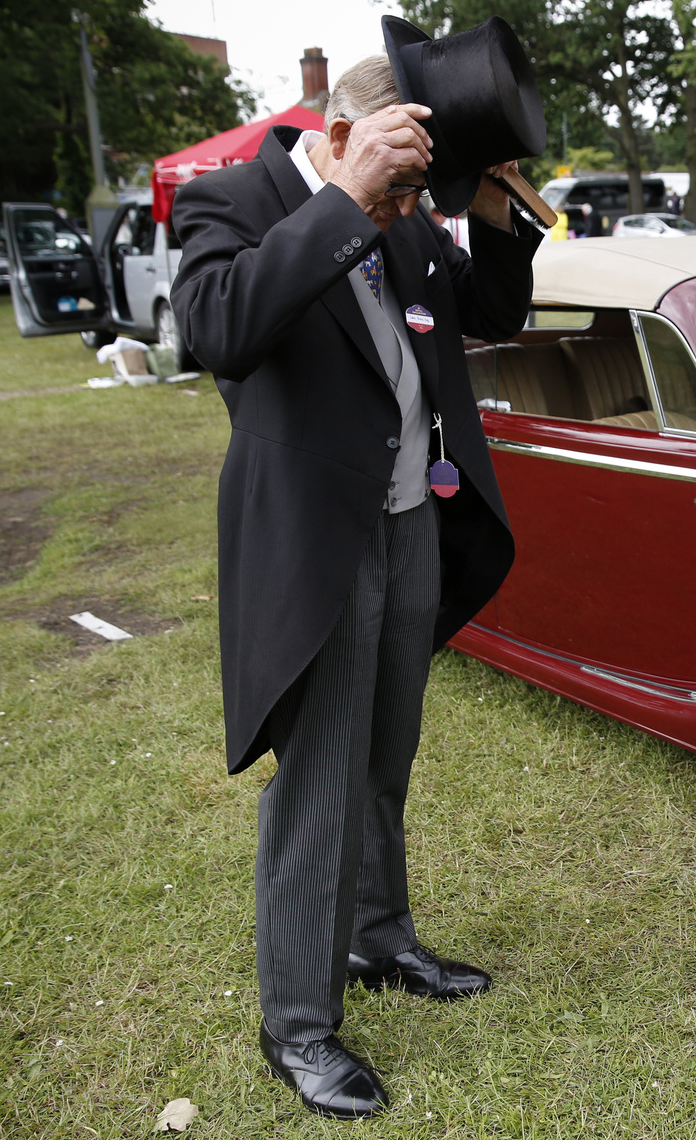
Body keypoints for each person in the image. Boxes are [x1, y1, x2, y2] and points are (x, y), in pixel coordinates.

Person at [170, 54, 542, 1119]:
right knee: (320, 777)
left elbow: (493, 316)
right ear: (341, 132)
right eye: (397, 174)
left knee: (385, 750)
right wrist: (345, 202)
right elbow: (219, 330)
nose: (405, 202)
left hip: (410, 515)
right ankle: (296, 1026)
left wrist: (489, 211)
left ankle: (381, 941)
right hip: (317, 534)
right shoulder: (234, 199)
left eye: (416, 184)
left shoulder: (414, 212)